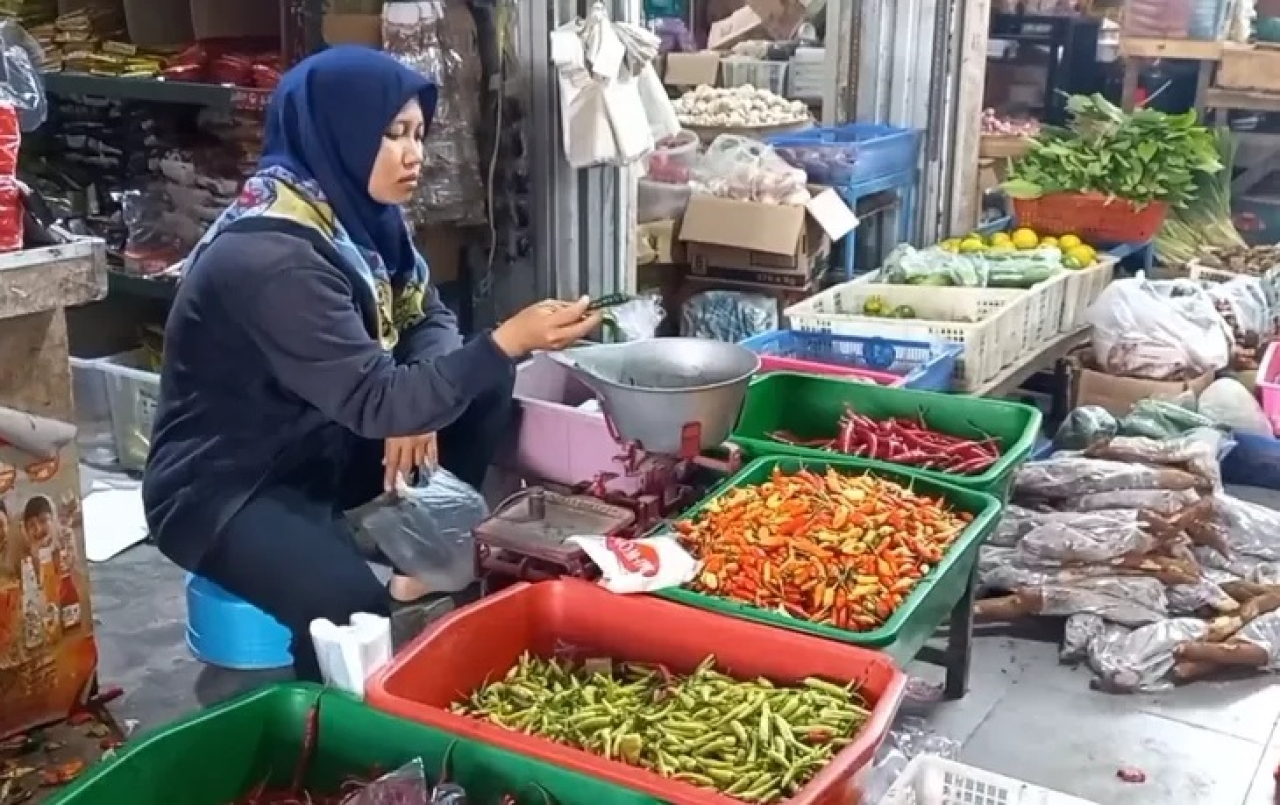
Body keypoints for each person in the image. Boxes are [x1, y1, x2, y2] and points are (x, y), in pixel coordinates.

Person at [142, 46, 601, 682]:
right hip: (231, 486)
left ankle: (415, 560)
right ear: (339, 133)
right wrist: (498, 345)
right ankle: (327, 750)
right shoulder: (274, 258)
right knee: (349, 615)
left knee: (481, 383)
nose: (414, 154)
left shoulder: (362, 222)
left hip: (323, 440)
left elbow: (428, 319)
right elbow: (381, 398)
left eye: (417, 134)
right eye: (392, 135)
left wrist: (417, 403)